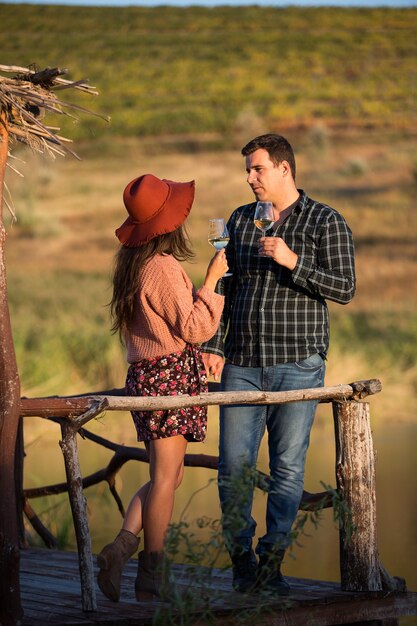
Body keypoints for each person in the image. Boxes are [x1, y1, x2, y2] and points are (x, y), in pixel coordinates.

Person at [202, 133, 356, 595]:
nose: (250, 178)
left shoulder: (326, 221)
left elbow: (345, 288)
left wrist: (293, 261)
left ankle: (272, 562)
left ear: (285, 169)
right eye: (248, 170)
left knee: (288, 468)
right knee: (232, 468)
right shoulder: (240, 219)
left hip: (298, 363)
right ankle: (241, 562)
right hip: (243, 363)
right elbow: (225, 284)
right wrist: (213, 343)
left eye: (258, 169)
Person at [97, 173, 227, 602]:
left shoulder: (134, 265)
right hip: (169, 377)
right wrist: (212, 281)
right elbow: (195, 328)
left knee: (163, 477)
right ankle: (151, 572)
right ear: (170, 223)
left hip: (148, 377)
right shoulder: (164, 268)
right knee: (166, 477)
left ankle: (120, 551)